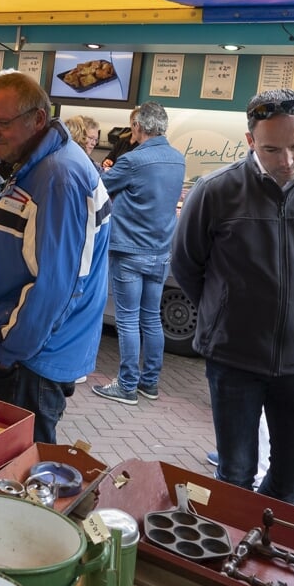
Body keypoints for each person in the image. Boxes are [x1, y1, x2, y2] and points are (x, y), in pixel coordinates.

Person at [171, 89, 294, 505]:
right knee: (234, 472)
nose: (287, 161)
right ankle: (235, 548)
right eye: (272, 149)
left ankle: (260, 527)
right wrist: (223, 311)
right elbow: (186, 264)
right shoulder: (215, 190)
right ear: (251, 140)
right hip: (233, 357)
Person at [0, 70, 112, 444]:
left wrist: (10, 351)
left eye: (2, 123)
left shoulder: (59, 177)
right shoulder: (43, 163)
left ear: (38, 120)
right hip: (29, 354)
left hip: (31, 361)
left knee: (23, 462)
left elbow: (57, 286)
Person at [93, 102, 187, 403]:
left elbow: (100, 186)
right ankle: (150, 383)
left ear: (139, 127)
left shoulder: (134, 160)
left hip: (130, 251)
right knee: (151, 320)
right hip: (160, 252)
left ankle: (127, 385)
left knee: (128, 320)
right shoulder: (178, 159)